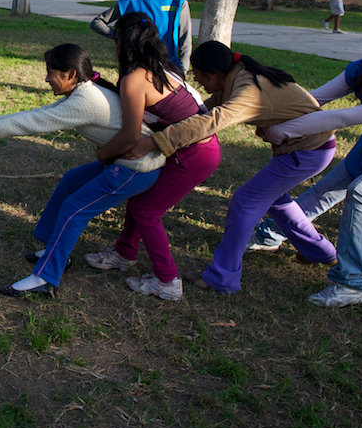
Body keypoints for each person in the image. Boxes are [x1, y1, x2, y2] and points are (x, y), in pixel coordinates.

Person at [123, 41, 337, 294]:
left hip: (308, 151)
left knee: (245, 202)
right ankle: (321, 252)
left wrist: (157, 141)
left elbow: (211, 121)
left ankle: (222, 278)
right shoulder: (238, 77)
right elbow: (207, 108)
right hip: (309, 149)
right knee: (275, 200)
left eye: (199, 76)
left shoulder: (248, 91)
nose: (197, 81)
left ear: (213, 73)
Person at [0, 44, 167, 296]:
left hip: (137, 169)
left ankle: (46, 277)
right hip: (123, 164)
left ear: (70, 74)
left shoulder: (85, 100)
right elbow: (40, 112)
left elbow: (34, 122)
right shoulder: (82, 92)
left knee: (74, 209)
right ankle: (53, 248)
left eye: (51, 72)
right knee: (71, 181)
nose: (46, 79)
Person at [249, 23, 362, 306]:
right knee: (327, 190)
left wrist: (281, 131)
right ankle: (271, 234)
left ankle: (350, 283)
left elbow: (342, 118)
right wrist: (265, 112)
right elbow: (314, 100)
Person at [83, 13, 222, 301]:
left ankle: (168, 281)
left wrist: (104, 154)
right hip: (200, 147)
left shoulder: (135, 79)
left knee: (146, 211)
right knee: (140, 201)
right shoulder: (164, 68)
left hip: (194, 153)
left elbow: (129, 136)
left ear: (122, 44)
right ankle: (124, 253)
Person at [90, 0, 192, 71]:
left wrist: (183, 70)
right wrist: (123, 36)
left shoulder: (177, 0)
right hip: (137, 69)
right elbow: (97, 22)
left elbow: (185, 40)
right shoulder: (131, 1)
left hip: (168, 67)